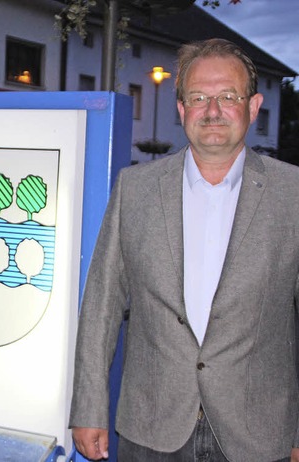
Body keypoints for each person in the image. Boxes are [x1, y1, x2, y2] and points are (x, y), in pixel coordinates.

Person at [69, 38, 299, 462]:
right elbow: (101, 305)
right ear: (181, 110)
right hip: (151, 427)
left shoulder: (293, 194)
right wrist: (87, 407)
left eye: (228, 96)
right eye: (198, 97)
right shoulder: (135, 190)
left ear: (253, 107)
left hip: (259, 433)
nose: (212, 111)